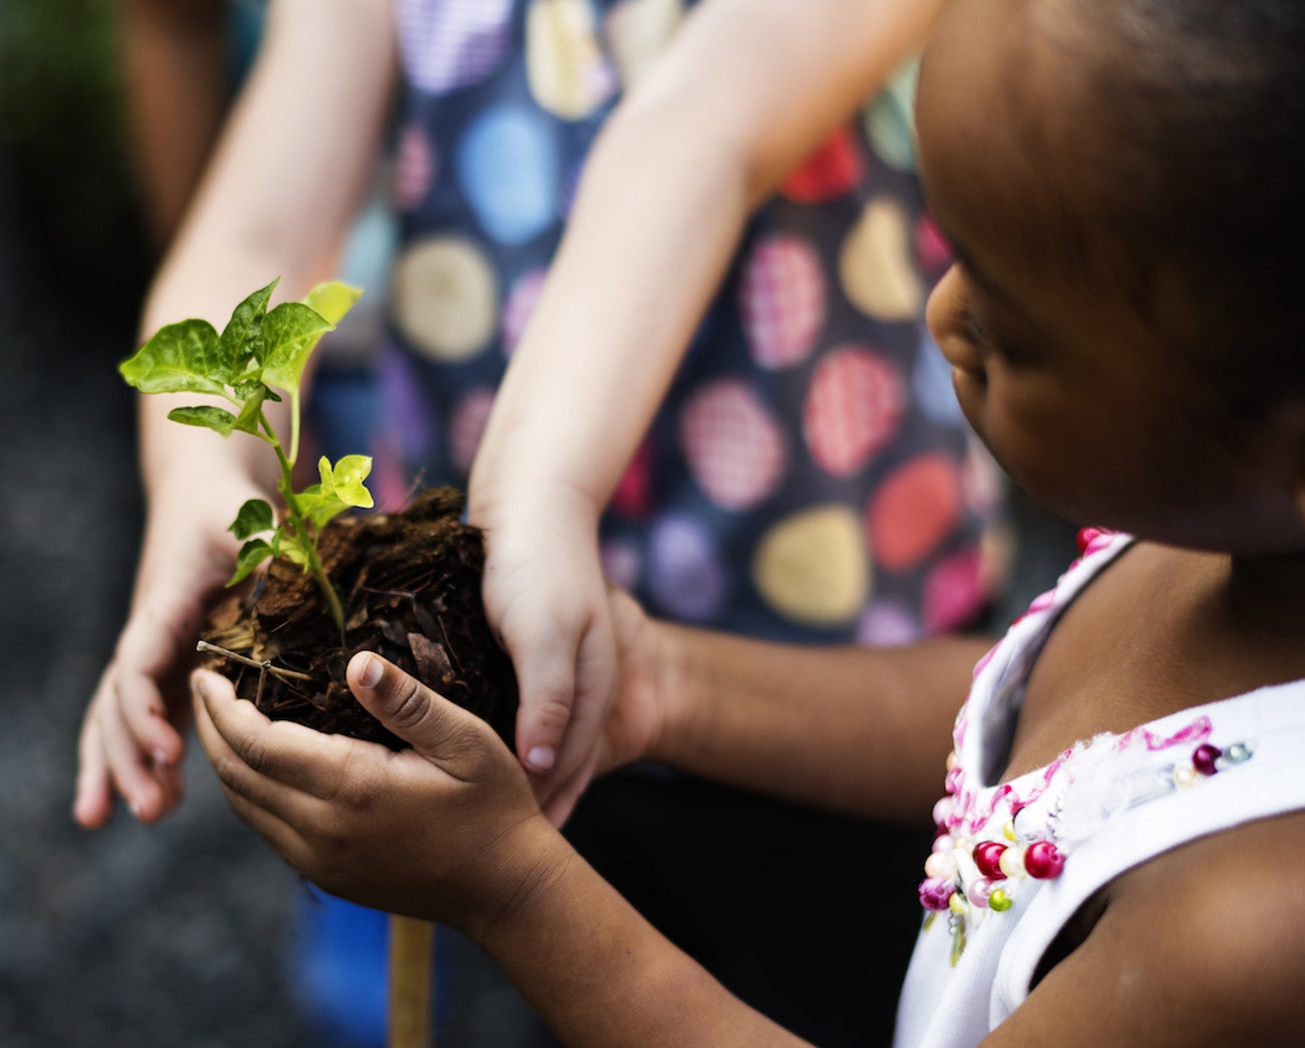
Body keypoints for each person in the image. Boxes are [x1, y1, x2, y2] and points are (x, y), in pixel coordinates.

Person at [191, 0, 1305, 1042]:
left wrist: (517, 890)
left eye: (1010, 328)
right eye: (948, 247)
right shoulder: (1205, 534)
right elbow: (1002, 729)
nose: (938, 314)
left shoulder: (1250, 930)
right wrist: (663, 686)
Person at [79, 0, 991, 1039]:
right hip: (514, 634)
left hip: (834, 630)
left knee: (842, 967)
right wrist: (199, 473)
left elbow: (695, 129)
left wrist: (528, 498)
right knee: (565, 944)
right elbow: (259, 221)